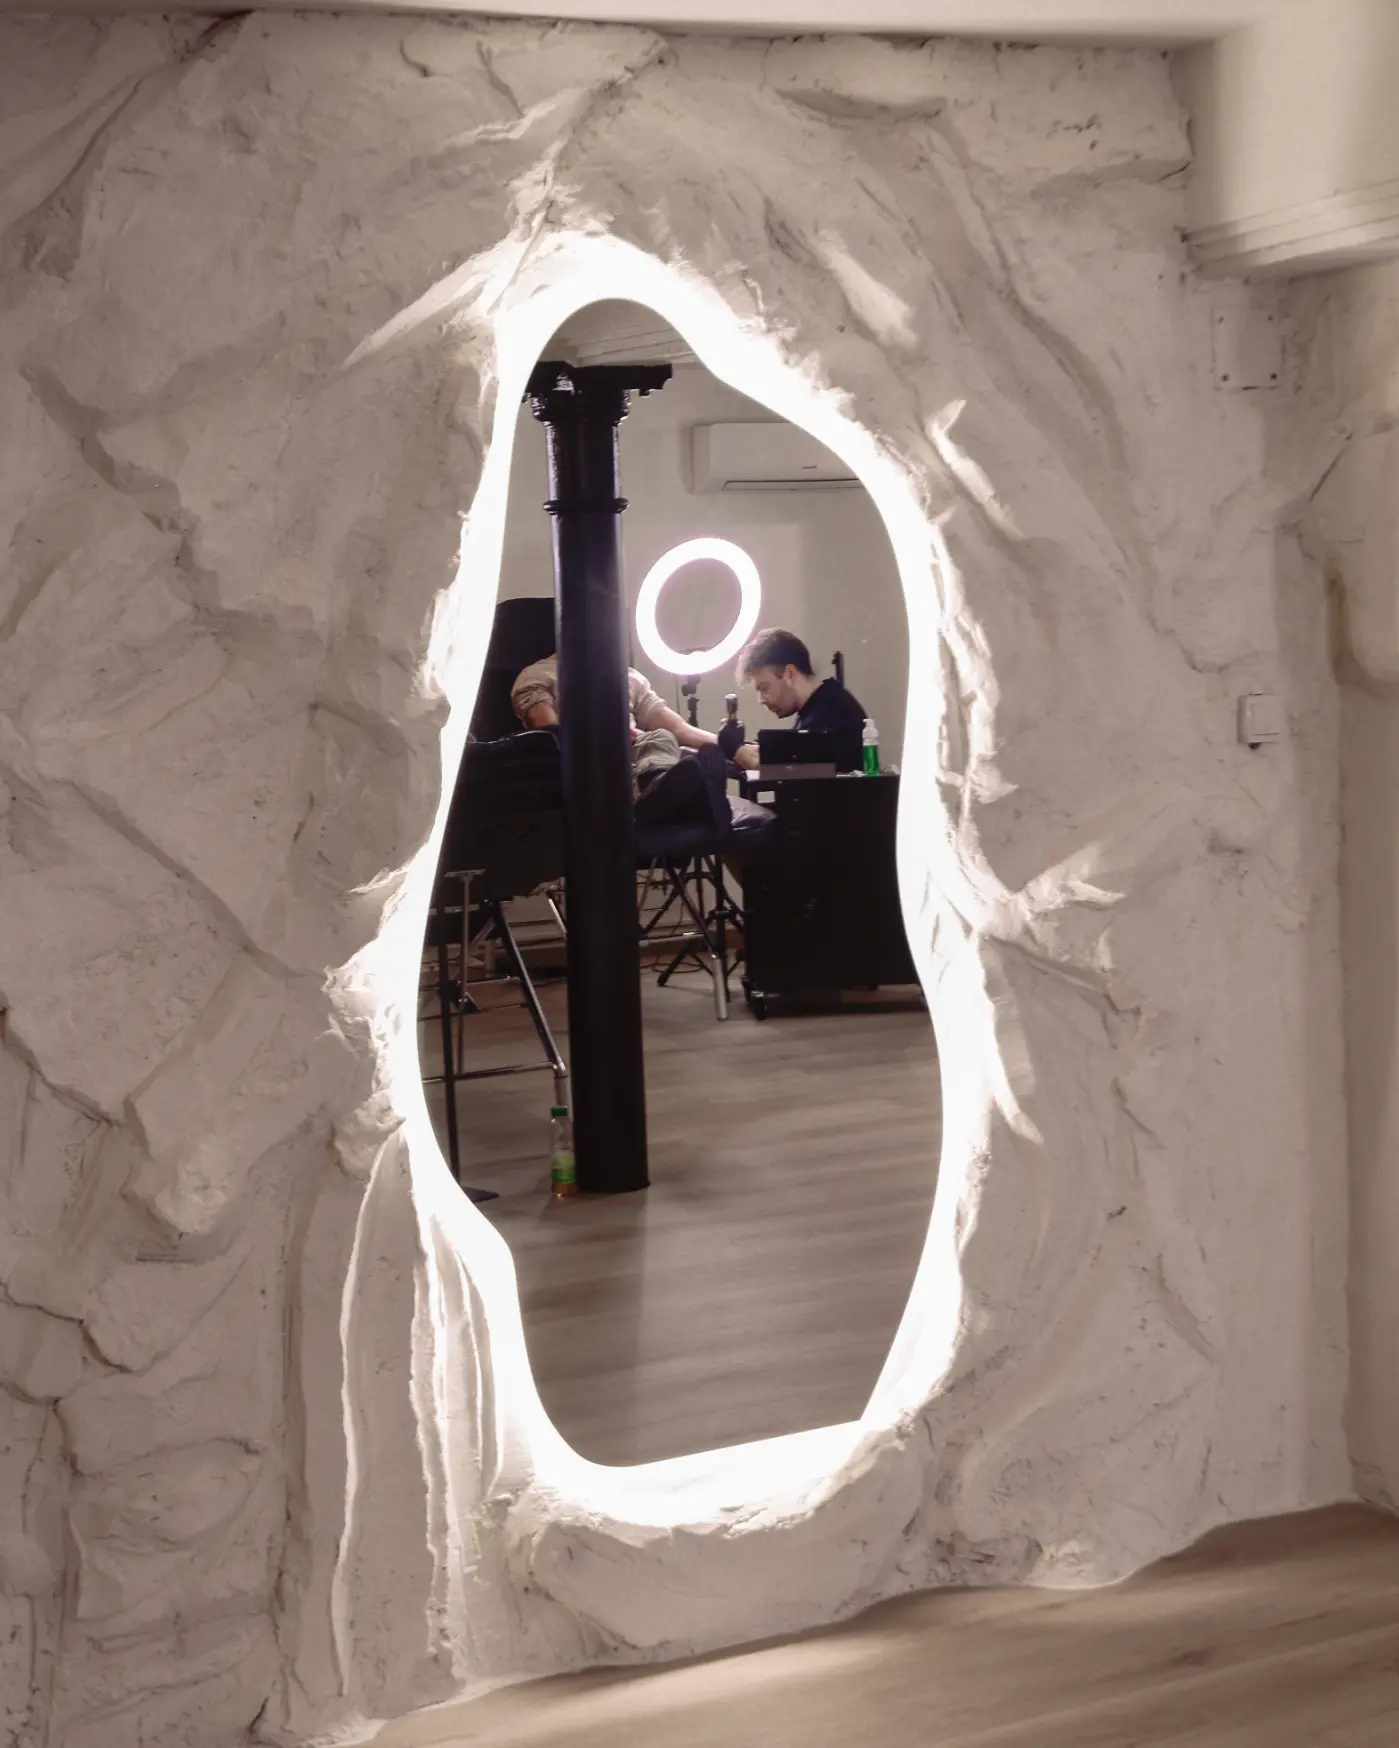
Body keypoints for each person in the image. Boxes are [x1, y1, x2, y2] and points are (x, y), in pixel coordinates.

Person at [734, 627, 868, 773]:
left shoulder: (828, 718)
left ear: (790, 674)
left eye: (764, 688)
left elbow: (780, 772)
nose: (761, 700)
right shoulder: (821, 706)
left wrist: (735, 749)